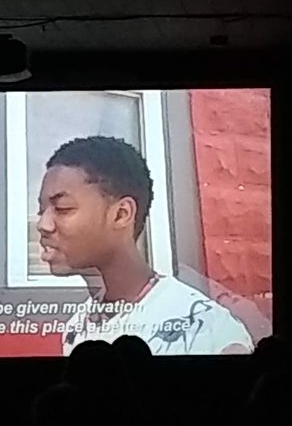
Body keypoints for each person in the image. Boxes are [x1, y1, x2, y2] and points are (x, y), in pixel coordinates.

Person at [36, 135, 253, 355]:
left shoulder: (211, 334)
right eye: (41, 211)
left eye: (62, 208)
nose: (43, 224)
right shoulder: (76, 327)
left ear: (121, 214)